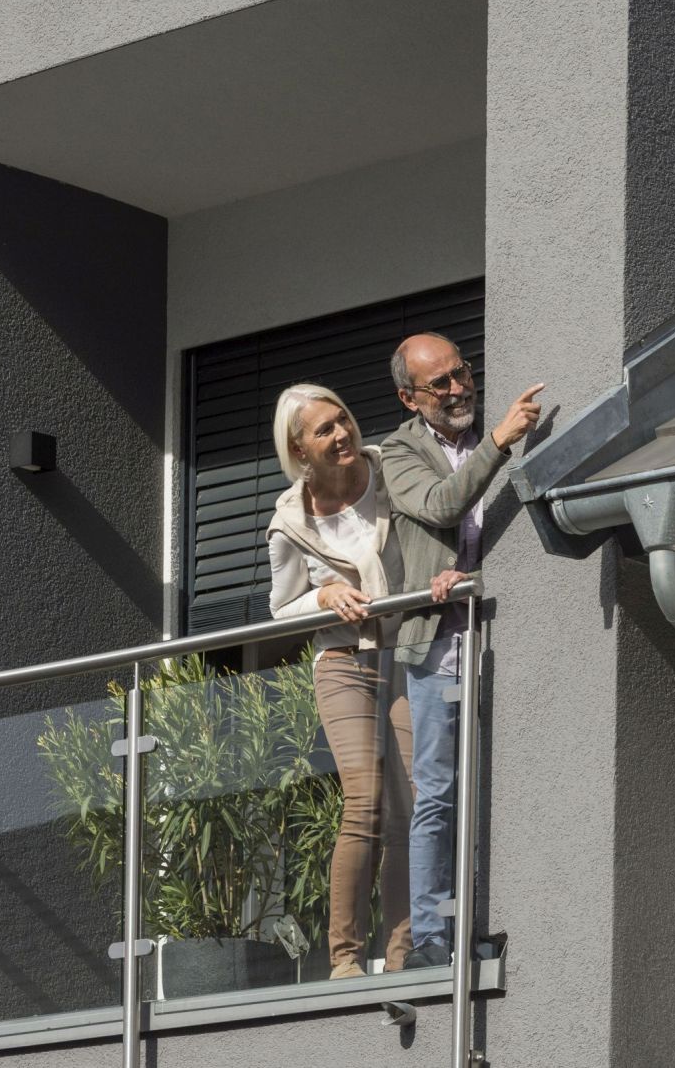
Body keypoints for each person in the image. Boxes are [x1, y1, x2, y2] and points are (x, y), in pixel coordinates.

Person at [378, 333, 544, 969]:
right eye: (439, 384)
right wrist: (501, 441)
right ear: (409, 397)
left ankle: (470, 926)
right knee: (440, 792)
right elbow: (444, 507)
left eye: (461, 373)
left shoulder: (486, 430)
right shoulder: (400, 449)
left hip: (495, 625)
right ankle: (429, 939)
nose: (457, 389)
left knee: (489, 786)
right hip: (437, 640)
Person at [265, 382, 415, 979]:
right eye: (324, 429)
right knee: (365, 802)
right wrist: (323, 594)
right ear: (299, 450)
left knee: (411, 805)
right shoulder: (288, 523)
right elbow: (281, 609)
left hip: (408, 655)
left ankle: (403, 955)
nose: (341, 433)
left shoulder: (389, 472)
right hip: (345, 664)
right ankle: (346, 959)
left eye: (343, 419)